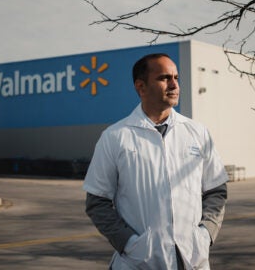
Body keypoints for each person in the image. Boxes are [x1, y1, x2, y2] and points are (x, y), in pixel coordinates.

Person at [83, 53, 228, 270]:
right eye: (164, 78)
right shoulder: (115, 137)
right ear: (141, 87)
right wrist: (130, 244)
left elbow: (216, 191)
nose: (174, 84)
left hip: (192, 259)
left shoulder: (197, 133)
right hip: (138, 262)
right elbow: (97, 202)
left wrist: (205, 234)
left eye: (176, 77)